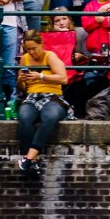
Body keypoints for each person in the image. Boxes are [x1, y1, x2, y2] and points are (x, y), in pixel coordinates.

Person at [14, 32, 69, 176]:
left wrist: (41, 76)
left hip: (52, 95)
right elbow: (22, 89)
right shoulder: (25, 59)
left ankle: (29, 156)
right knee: (24, 118)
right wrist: (20, 80)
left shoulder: (49, 56)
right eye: (28, 49)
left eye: (34, 48)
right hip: (32, 96)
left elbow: (63, 79)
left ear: (41, 44)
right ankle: (31, 162)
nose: (31, 52)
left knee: (49, 117)